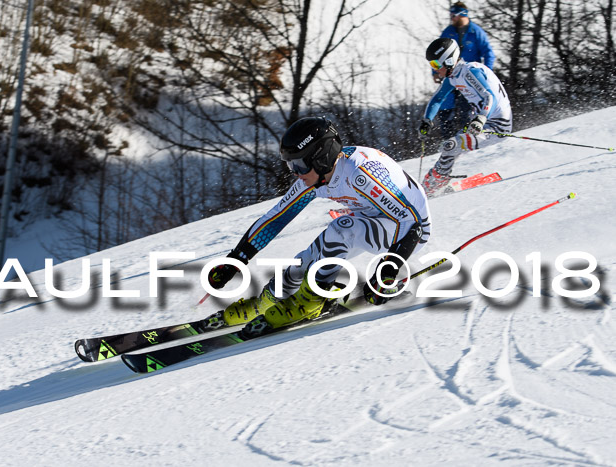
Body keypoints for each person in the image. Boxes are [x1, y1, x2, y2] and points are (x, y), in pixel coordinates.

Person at [199, 117, 432, 339]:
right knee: (302, 264)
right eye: (291, 165)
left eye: (299, 165)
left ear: (321, 157)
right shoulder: (316, 177)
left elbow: (412, 223)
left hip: (406, 231)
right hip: (373, 217)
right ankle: (265, 304)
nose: (295, 173)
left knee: (341, 228)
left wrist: (387, 272)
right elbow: (276, 219)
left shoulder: (360, 173)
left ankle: (312, 300)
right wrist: (236, 259)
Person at [419, 37, 512, 196]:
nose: (435, 70)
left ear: (448, 60)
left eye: (435, 64)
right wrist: (427, 120)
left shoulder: (470, 71)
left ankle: (435, 183)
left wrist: (481, 118)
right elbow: (438, 98)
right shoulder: (454, 76)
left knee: (451, 146)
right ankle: (437, 178)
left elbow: (489, 97)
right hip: (483, 122)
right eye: (431, 65)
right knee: (452, 146)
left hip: (497, 126)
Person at [433, 2, 496, 139]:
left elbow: (488, 53)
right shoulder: (448, 32)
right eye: (451, 15)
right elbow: (437, 52)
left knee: (466, 109)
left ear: (463, 14)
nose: (452, 18)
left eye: (454, 15)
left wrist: (486, 72)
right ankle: (447, 140)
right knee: (445, 107)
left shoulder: (476, 32)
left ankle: (469, 137)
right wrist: (435, 72)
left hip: (469, 77)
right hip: (451, 75)